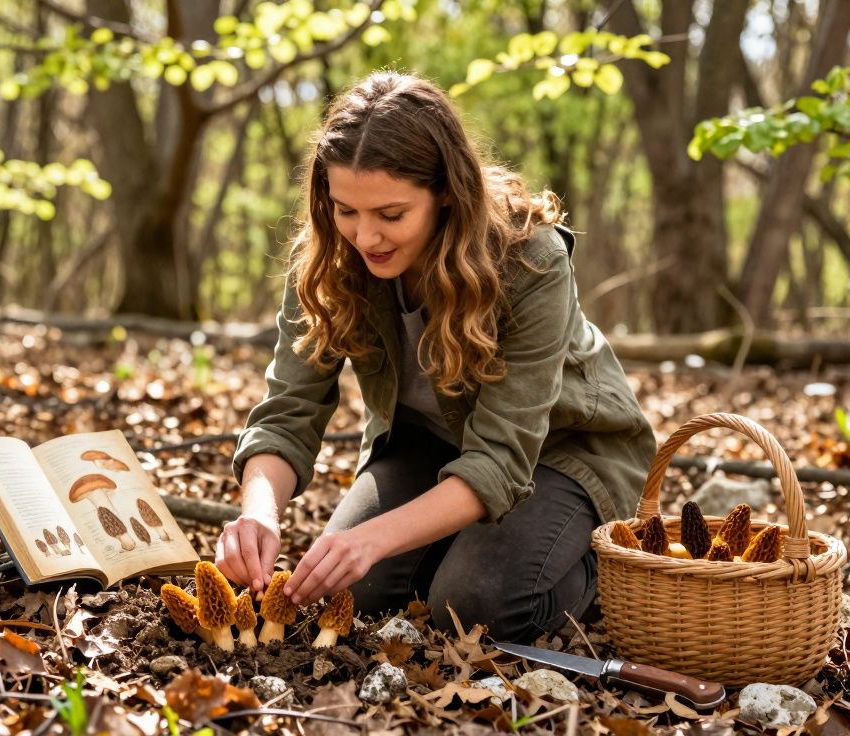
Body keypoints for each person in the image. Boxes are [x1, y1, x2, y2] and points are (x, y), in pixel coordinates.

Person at [213, 71, 656, 644]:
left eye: (391, 215)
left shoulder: (532, 261)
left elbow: (500, 459)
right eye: (346, 210)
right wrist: (259, 513)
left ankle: (601, 566)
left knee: (475, 604)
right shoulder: (328, 256)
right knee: (355, 594)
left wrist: (373, 538)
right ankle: (458, 548)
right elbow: (287, 413)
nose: (365, 236)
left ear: (446, 192)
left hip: (564, 454)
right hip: (428, 447)